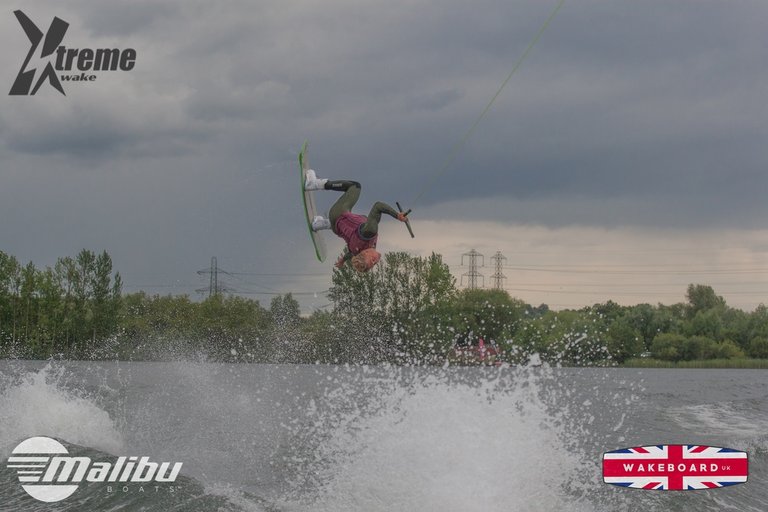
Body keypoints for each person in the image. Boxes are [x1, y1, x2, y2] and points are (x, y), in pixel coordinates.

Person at [305, 169, 408, 272]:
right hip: (336, 228)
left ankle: (314, 184)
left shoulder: (370, 231)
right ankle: (318, 224)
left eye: (371, 260)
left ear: (365, 252)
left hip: (338, 213)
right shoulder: (357, 251)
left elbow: (378, 206)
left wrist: (397, 215)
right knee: (354, 222)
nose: (375, 261)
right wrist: (343, 260)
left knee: (355, 186)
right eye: (373, 264)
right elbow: (351, 254)